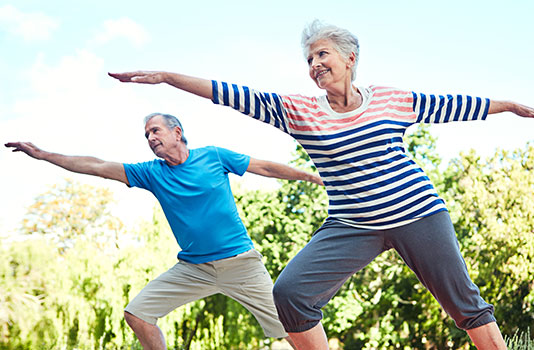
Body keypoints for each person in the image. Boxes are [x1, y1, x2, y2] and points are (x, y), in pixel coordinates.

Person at [108, 20, 534, 350]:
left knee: (464, 304)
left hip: (418, 213)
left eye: (323, 54)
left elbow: (455, 105)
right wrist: (167, 77)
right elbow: (230, 92)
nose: (315, 64)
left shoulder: (392, 100)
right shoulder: (300, 111)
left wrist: (510, 105)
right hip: (352, 224)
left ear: (349, 58)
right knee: (290, 294)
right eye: (309, 59)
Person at [5, 112, 324, 350]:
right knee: (137, 314)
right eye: (146, 135)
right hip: (193, 268)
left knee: (291, 326)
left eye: (155, 131)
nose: (150, 138)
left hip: (241, 265)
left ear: (177, 132)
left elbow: (266, 167)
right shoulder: (150, 172)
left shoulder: (213, 156)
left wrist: (312, 177)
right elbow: (97, 166)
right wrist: (44, 155)